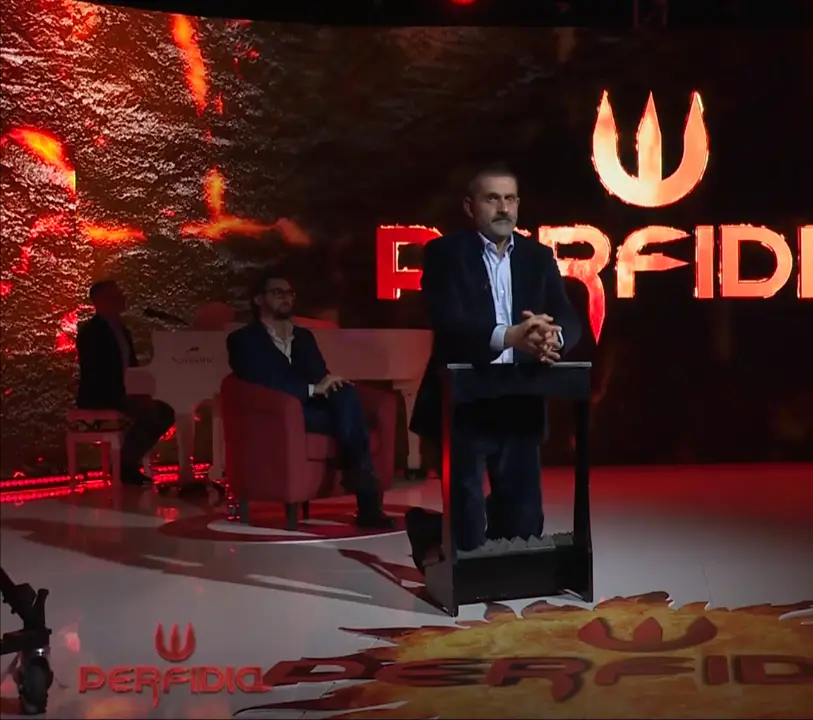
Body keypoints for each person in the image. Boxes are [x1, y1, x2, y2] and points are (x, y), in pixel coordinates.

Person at [406, 162, 582, 565]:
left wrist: (552, 338)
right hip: (465, 400)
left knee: (522, 529)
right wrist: (509, 336)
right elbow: (448, 322)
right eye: (492, 199)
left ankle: (434, 528)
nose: (504, 208)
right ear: (470, 207)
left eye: (510, 199)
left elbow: (568, 317)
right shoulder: (444, 254)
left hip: (519, 398)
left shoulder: (538, 256)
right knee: (468, 537)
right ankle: (436, 535)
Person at [226, 271, 393, 529]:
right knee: (349, 420)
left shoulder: (304, 337)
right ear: (258, 299)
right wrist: (313, 389)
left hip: (314, 409)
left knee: (346, 393)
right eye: (278, 293)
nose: (286, 298)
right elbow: (263, 383)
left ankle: (359, 478)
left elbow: (319, 374)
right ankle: (367, 500)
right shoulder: (243, 340)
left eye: (289, 293)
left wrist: (330, 383)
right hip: (279, 414)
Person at [75, 280, 175, 486]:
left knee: (164, 411)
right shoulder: (90, 332)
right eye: (115, 295)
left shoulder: (122, 330)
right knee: (151, 414)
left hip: (123, 392)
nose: (122, 298)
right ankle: (125, 466)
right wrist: (128, 394)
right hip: (101, 396)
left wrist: (140, 388)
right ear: (100, 301)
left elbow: (130, 367)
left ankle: (125, 462)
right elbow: (96, 373)